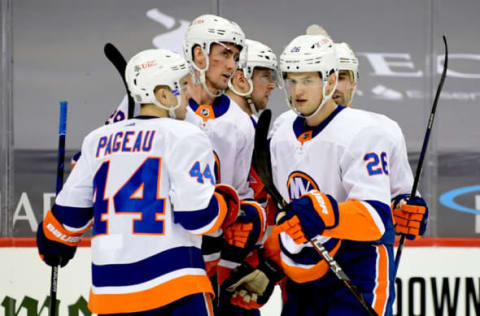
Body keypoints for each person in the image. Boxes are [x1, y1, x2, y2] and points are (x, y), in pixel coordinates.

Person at [225, 34, 429, 315]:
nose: (297, 90)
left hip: (357, 271)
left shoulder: (364, 131)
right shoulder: (282, 130)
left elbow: (377, 219)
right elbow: (286, 214)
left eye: (308, 80)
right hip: (303, 275)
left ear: (329, 81)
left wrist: (323, 212)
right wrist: (268, 265)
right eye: (292, 80)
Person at [36, 48, 246, 316]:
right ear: (162, 95)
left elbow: (65, 221)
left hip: (111, 295)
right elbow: (198, 215)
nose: (190, 93)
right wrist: (228, 202)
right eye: (183, 86)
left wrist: (54, 244)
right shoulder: (185, 135)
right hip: (175, 289)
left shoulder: (97, 140)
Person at [183, 15, 267, 315]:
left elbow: (246, 196)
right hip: (169, 258)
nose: (232, 65)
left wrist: (247, 218)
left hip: (217, 265)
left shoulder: (241, 123)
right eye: (224, 55)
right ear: (198, 54)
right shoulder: (165, 107)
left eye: (235, 56)